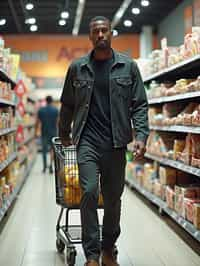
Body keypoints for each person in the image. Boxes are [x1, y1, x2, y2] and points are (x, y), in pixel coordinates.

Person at [59, 16, 149, 266]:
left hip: (116, 143)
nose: (100, 35)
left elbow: (139, 104)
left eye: (104, 30)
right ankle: (92, 254)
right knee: (88, 192)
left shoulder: (128, 67)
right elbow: (67, 104)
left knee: (112, 199)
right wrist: (64, 133)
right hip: (87, 141)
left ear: (111, 34)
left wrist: (141, 135)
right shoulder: (77, 68)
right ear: (90, 36)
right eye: (95, 31)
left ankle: (109, 246)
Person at [36, 95, 59, 173]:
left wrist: (36, 132)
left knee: (44, 150)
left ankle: (44, 167)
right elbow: (57, 122)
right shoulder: (56, 110)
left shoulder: (41, 110)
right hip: (53, 132)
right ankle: (51, 166)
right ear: (52, 101)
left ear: (46, 101)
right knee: (52, 150)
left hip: (44, 132)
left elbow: (38, 122)